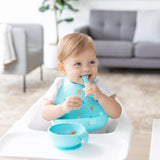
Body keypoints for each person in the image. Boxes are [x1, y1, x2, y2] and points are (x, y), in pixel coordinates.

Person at [41, 33, 122, 126]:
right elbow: (45, 113)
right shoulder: (59, 84)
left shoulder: (98, 85)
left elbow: (116, 113)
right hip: (68, 135)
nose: (87, 69)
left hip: (97, 135)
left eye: (91, 62)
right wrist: (63, 108)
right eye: (78, 64)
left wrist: (100, 96)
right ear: (63, 69)